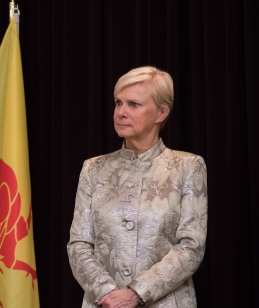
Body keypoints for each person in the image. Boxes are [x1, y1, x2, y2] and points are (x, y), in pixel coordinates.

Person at [67, 66, 208, 308]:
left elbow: (191, 246)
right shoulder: (93, 169)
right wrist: (107, 293)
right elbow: (78, 245)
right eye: (118, 103)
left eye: (133, 104)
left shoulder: (188, 166)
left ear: (161, 113)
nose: (120, 112)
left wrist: (136, 293)